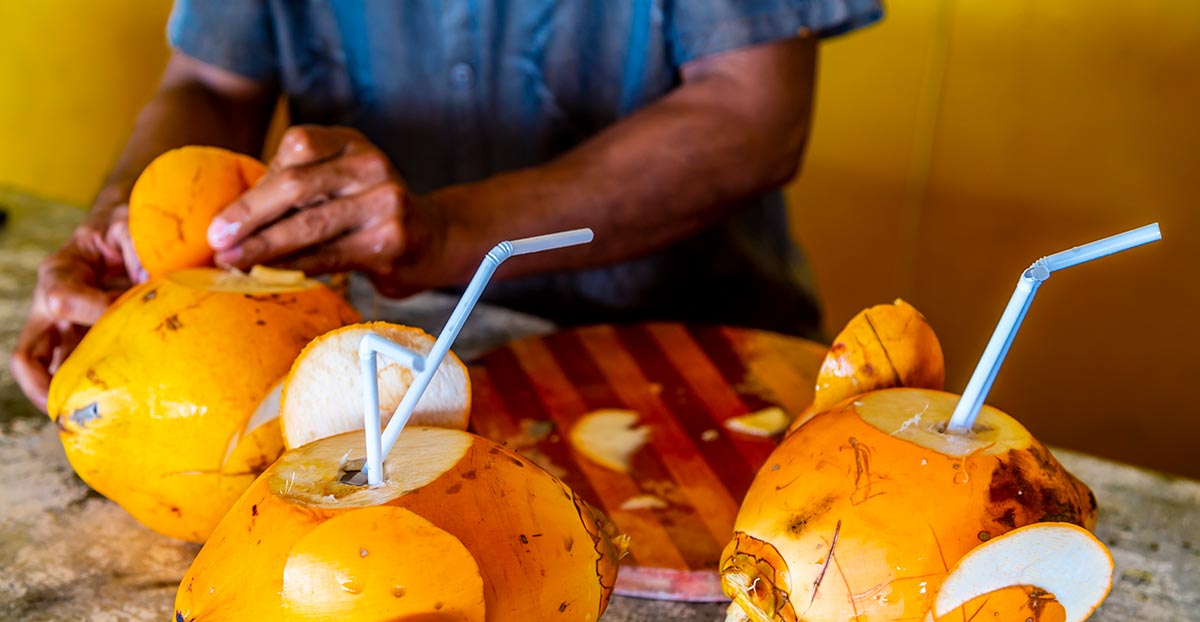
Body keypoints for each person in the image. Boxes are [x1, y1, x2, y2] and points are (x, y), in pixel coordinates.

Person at [11, 1, 883, 413]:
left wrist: (448, 232)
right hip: (386, 372)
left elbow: (754, 115)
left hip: (692, 367)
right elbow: (208, 80)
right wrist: (125, 223)